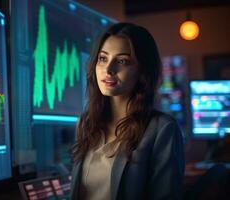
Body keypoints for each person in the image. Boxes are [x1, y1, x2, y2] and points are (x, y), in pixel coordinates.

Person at [70, 23, 185, 200]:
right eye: (102, 58)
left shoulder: (163, 129)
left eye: (122, 61)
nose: (108, 70)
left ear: (142, 71)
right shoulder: (86, 123)